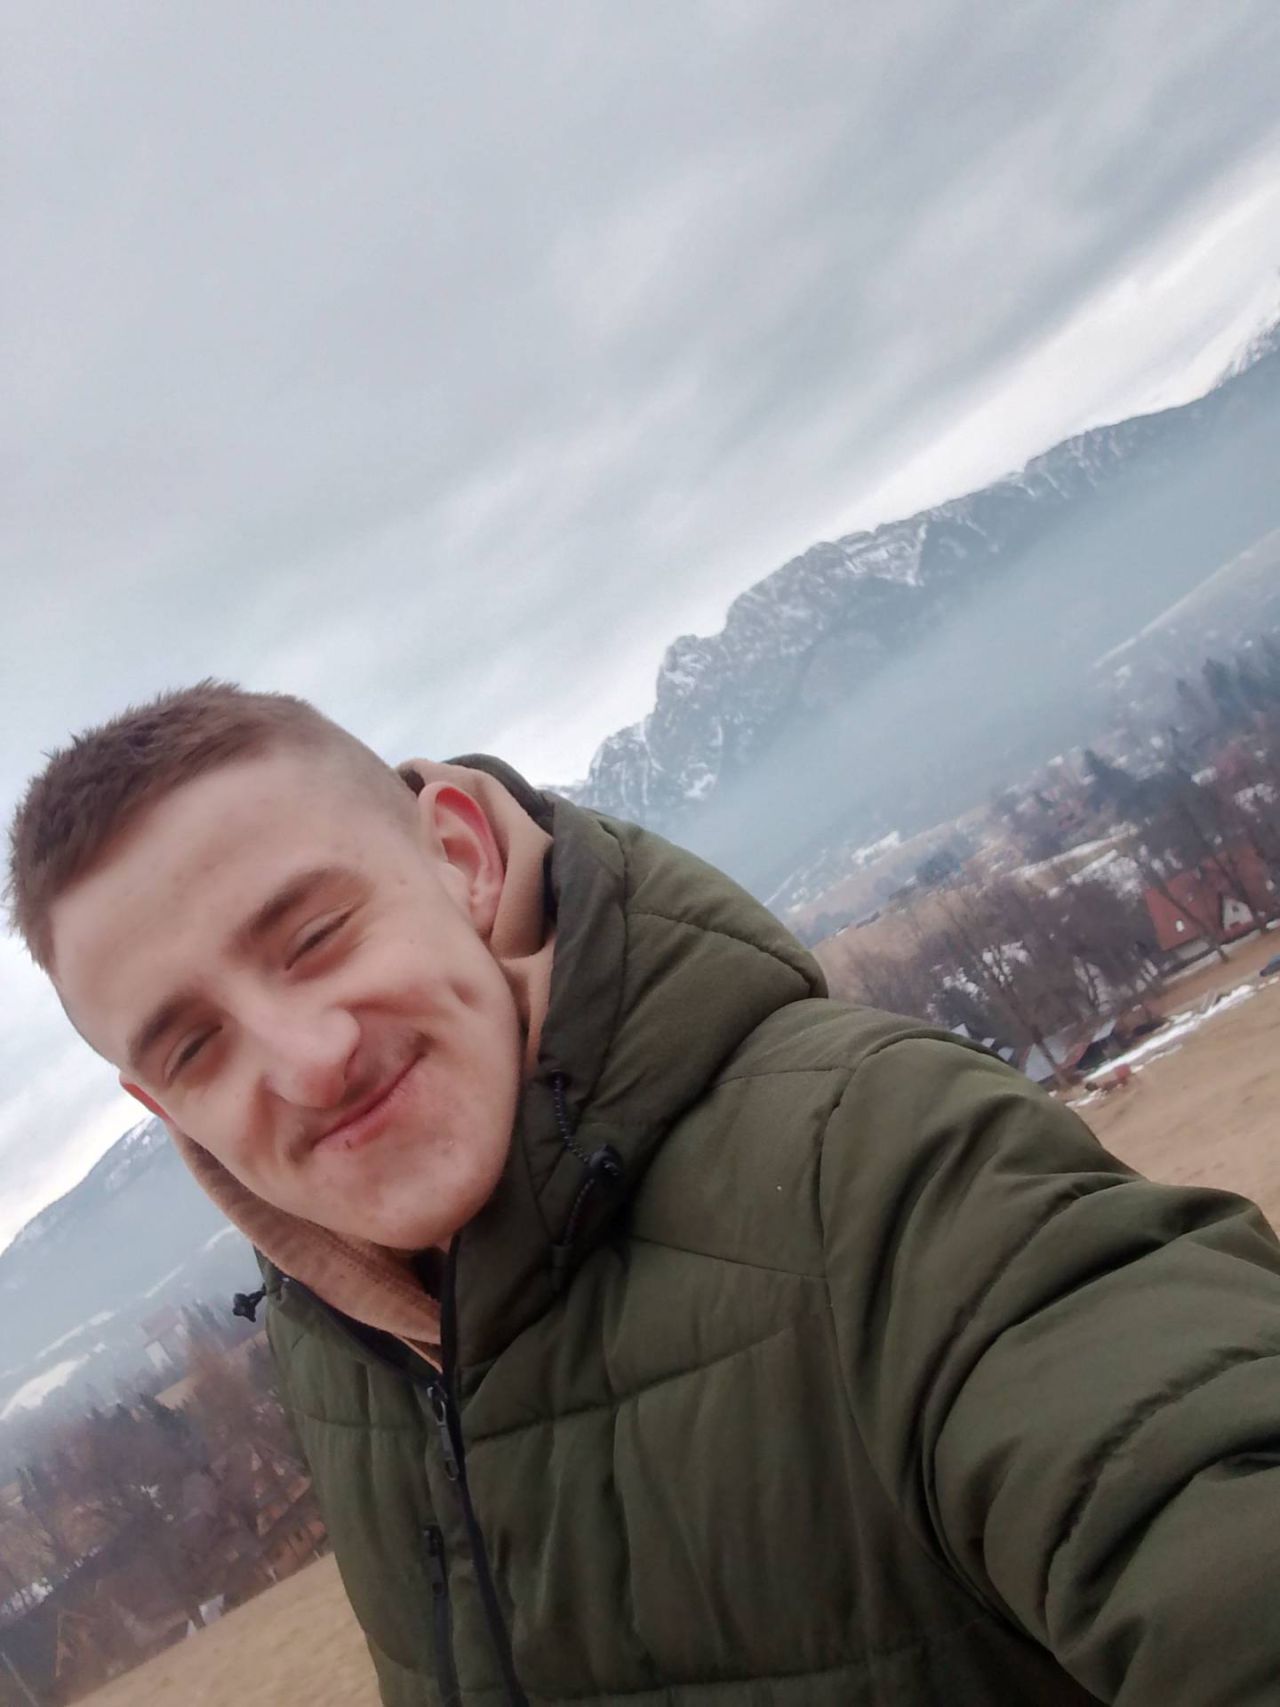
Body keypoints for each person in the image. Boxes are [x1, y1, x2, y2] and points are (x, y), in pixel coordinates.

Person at [7, 680, 1280, 1707]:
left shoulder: (875, 1158)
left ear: (457, 856)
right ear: (163, 1111)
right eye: (195, 1046)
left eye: (313, 935)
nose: (309, 1061)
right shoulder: (339, 1355)